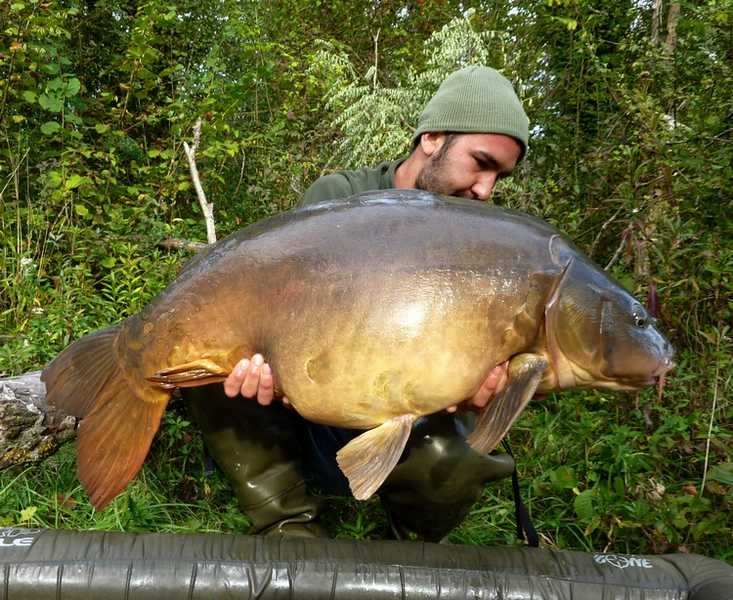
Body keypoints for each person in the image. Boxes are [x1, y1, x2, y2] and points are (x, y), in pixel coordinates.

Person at [186, 66, 530, 541]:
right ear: (432, 138)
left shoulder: (484, 244)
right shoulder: (340, 197)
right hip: (305, 410)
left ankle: (400, 541)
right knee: (209, 352)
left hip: (397, 424)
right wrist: (271, 369)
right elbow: (284, 319)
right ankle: (287, 524)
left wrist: (469, 394)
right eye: (480, 163)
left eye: (499, 176)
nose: (485, 190)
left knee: (459, 459)